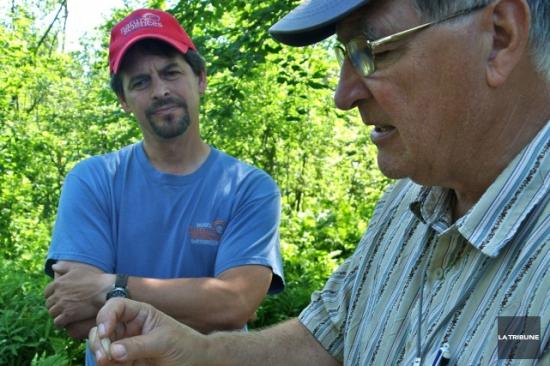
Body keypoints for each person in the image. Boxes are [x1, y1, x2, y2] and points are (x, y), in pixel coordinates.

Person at [90, 0, 549, 364]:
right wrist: (196, 351)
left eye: (374, 49)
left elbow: (236, 302)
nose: (342, 96)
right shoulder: (405, 206)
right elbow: (324, 340)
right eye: (345, 55)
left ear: (499, 38)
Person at [43, 8, 285, 365]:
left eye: (171, 72)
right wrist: (203, 303)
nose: (160, 90)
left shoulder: (249, 187)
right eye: (140, 82)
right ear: (123, 101)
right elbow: (75, 313)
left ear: (200, 78)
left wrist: (110, 288)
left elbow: (236, 304)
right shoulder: (93, 179)